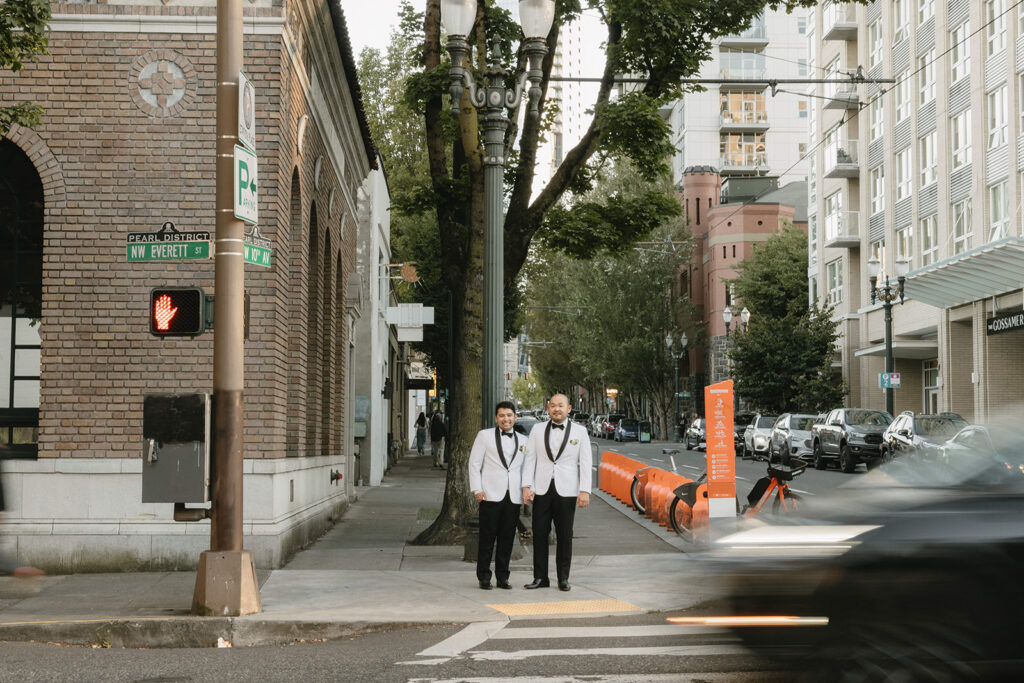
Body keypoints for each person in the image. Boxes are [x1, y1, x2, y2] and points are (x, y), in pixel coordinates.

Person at [521, 393, 591, 592]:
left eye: (561, 405)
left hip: (567, 491)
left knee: (564, 535)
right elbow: (530, 460)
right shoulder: (537, 429)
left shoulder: (580, 431)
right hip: (541, 490)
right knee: (540, 535)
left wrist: (584, 490)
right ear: (548, 408)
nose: (556, 409)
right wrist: (527, 486)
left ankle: (563, 578)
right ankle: (540, 577)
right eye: (553, 405)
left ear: (569, 409)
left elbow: (585, 463)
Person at [468, 401, 526, 590]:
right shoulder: (484, 436)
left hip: (513, 496)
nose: (506, 419)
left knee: (507, 538)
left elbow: (526, 468)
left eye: (509, 415)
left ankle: (503, 577)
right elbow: (474, 463)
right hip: (490, 495)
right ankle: (484, 576)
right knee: (487, 538)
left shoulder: (524, 441)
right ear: (496, 418)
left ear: (515, 417)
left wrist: (527, 489)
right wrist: (477, 489)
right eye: (502, 415)